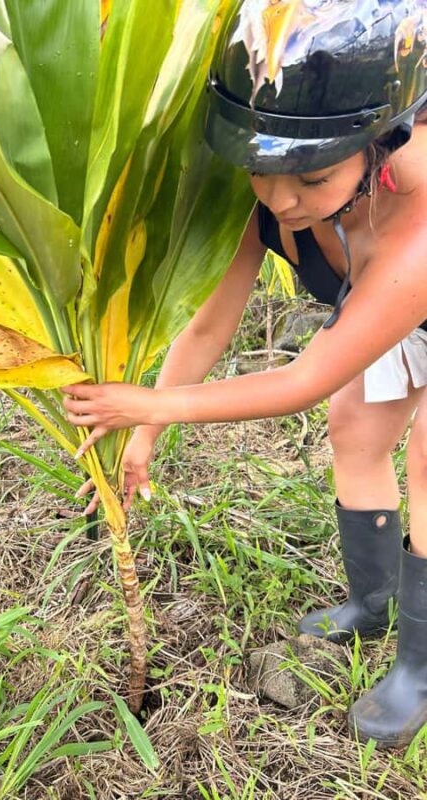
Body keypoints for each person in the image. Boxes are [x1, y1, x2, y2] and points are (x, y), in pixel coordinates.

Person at [63, 0, 427, 748]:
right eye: (263, 170)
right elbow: (208, 322)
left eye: (312, 176)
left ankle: (421, 667)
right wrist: (147, 431)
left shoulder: (419, 224)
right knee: (355, 429)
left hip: (406, 287)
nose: (282, 198)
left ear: (381, 145)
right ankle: (376, 600)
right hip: (385, 301)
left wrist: (137, 402)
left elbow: (305, 378)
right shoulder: (274, 188)